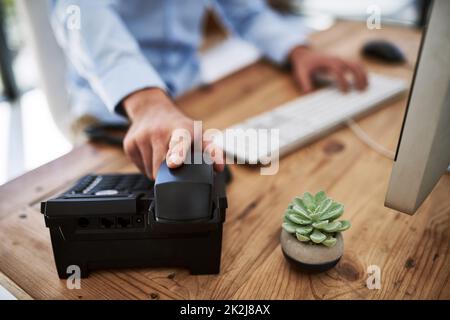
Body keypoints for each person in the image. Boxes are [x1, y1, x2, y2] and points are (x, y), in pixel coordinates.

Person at [51, 0, 367, 179]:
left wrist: (297, 50)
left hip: (190, 102)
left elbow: (245, 11)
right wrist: (147, 103)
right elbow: (76, 11)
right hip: (112, 116)